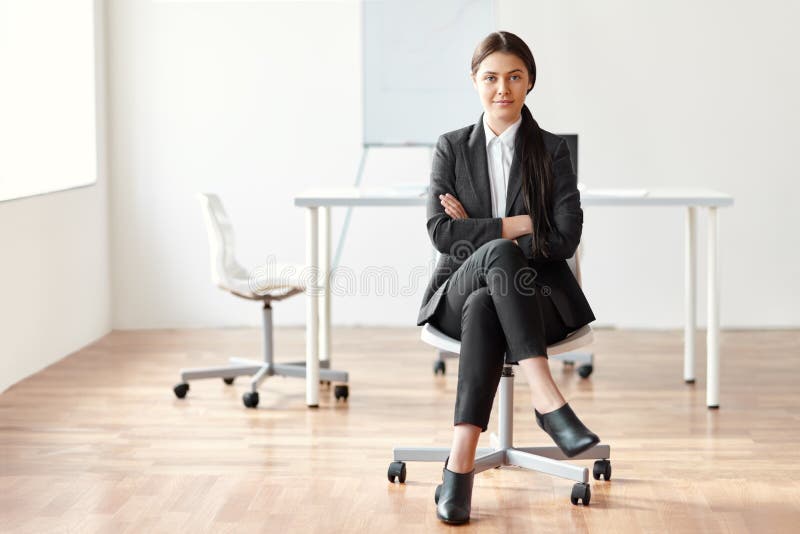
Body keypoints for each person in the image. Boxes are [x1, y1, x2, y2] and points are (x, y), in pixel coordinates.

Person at [416, 31, 601, 525]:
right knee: (496, 256)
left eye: (514, 77)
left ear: (530, 81)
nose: (503, 88)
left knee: (487, 304)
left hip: (534, 297)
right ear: (475, 81)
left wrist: (472, 227)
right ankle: (548, 399)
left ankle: (458, 471)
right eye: (491, 77)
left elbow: (564, 239)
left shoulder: (552, 151)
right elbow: (440, 234)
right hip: (454, 289)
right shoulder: (452, 147)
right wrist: (514, 226)